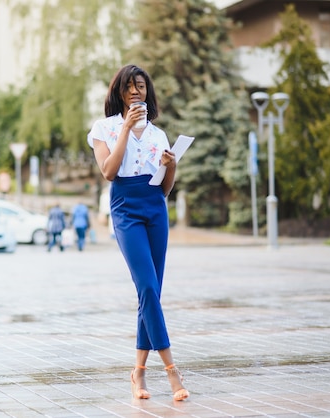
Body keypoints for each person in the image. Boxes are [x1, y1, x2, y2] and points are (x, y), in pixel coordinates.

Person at [87, 64, 189, 401]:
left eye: (141, 86)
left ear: (148, 92)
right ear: (119, 91)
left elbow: (165, 190)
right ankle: (173, 372)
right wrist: (127, 130)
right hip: (126, 208)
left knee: (152, 294)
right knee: (146, 285)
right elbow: (108, 171)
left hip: (155, 208)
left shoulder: (159, 135)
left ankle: (139, 373)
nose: (135, 91)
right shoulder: (104, 128)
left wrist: (170, 167)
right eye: (129, 86)